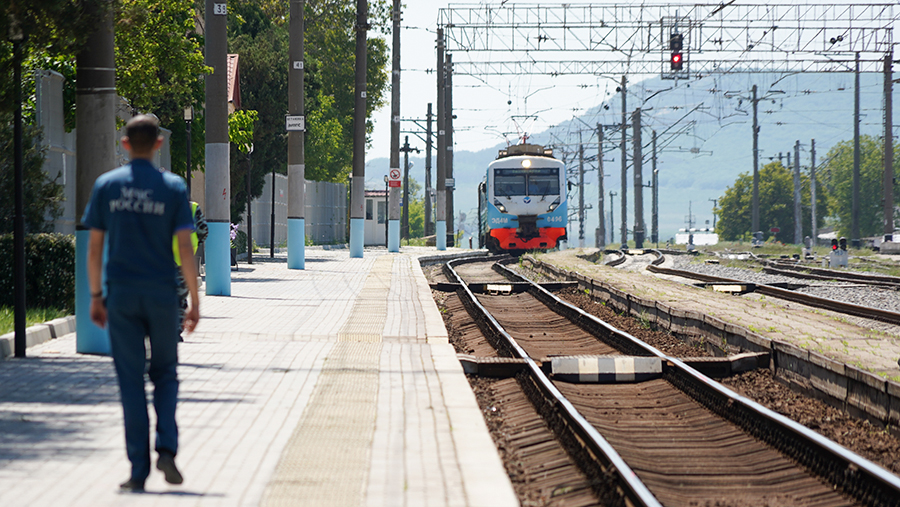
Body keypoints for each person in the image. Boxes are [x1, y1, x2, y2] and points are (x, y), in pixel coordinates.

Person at [84, 114, 200, 493]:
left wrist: (96, 296)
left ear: (125, 144)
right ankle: (166, 449)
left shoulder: (106, 186)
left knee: (130, 380)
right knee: (165, 373)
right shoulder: (173, 187)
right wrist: (194, 301)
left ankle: (138, 471)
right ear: (159, 144)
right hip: (162, 295)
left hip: (121, 295)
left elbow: (95, 248)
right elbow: (185, 248)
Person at [173, 201, 207, 340]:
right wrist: (195, 242)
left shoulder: (157, 202)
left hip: (160, 260)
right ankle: (176, 330)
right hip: (183, 262)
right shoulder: (192, 208)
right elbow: (203, 231)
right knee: (180, 297)